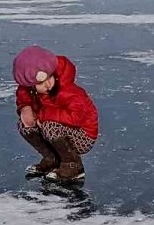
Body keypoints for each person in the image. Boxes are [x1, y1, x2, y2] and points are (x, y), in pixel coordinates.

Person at [12, 45, 99, 183]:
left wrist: (44, 115)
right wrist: (25, 108)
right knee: (25, 125)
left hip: (82, 134)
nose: (47, 85)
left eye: (49, 78)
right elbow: (23, 94)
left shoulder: (69, 91)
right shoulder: (29, 89)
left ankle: (73, 165)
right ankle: (52, 159)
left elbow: (77, 118)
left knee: (49, 126)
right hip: (57, 130)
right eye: (40, 83)